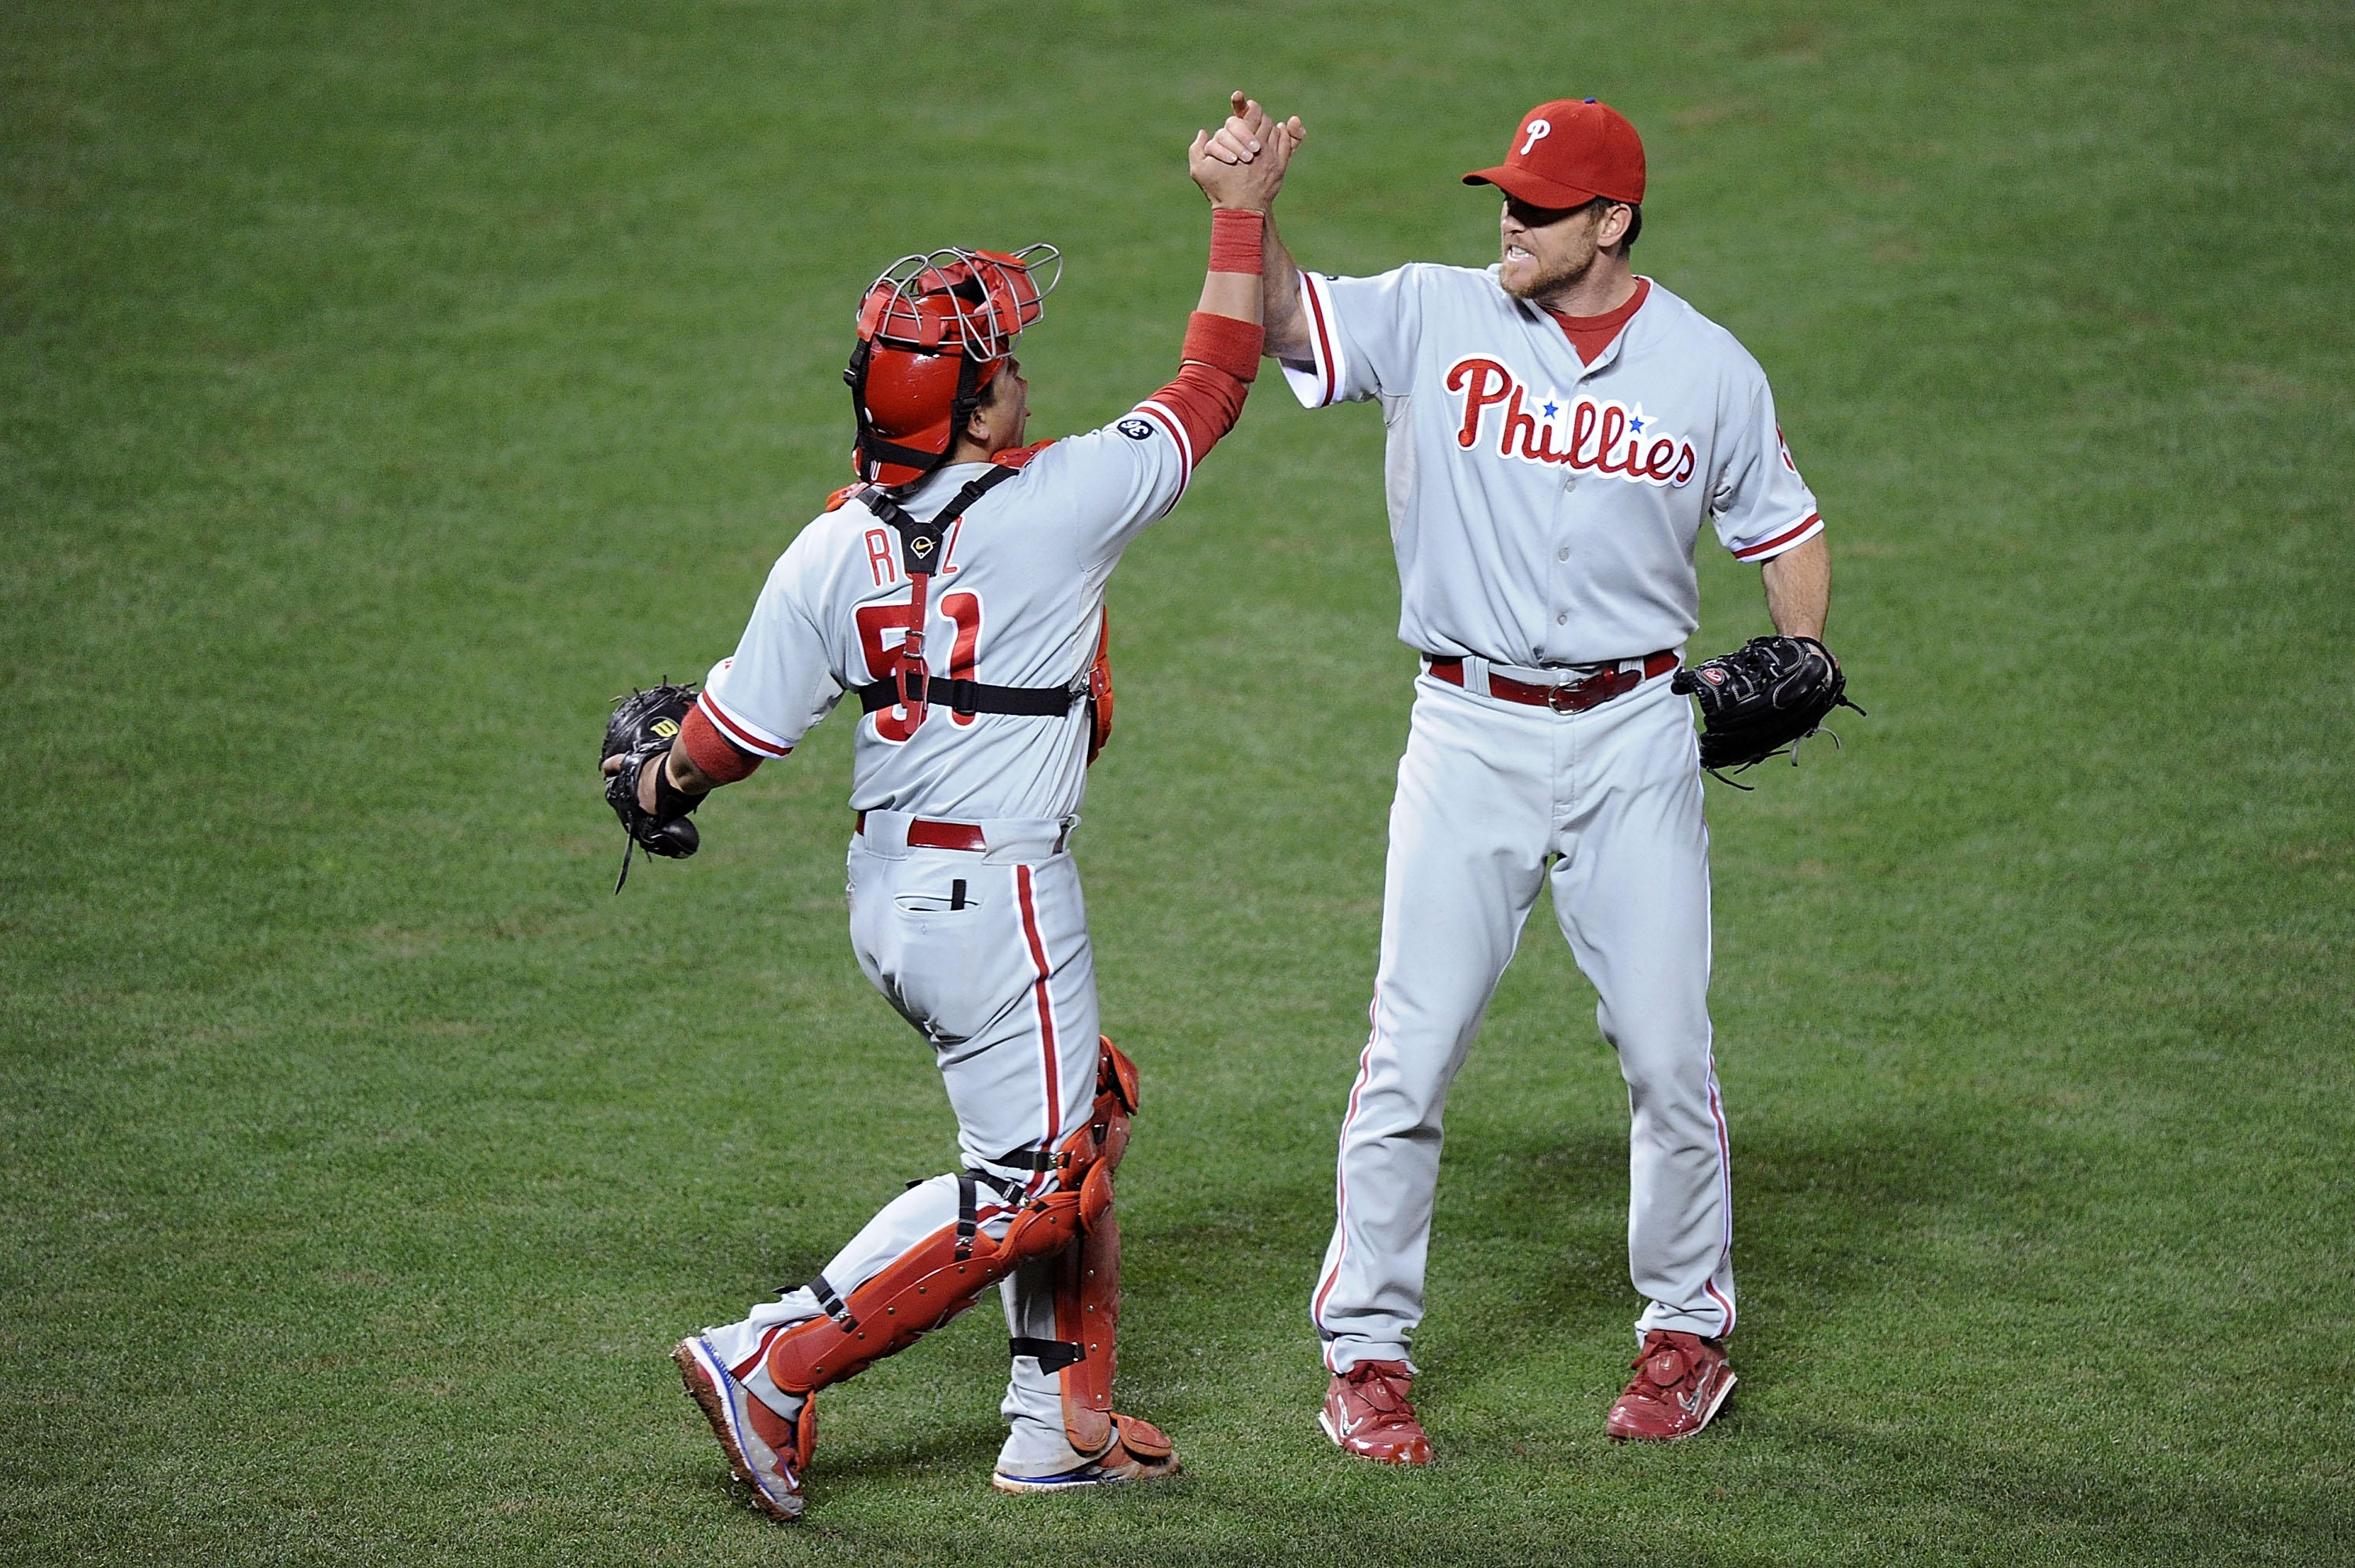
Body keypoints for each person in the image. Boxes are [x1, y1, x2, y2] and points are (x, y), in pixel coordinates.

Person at [617, 110, 1298, 1519]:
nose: (1025, 377)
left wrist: (651, 784)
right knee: (1034, 1183)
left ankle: (1054, 1419)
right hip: (1000, 903)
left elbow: (724, 742)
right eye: (1006, 365)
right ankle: (771, 1360)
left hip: (889, 904)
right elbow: (1218, 377)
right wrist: (1242, 206)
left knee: (1078, 1116)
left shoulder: (829, 549)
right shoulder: (1058, 506)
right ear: (975, 407)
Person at [1205, 93, 1837, 1457]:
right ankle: (1365, 1352)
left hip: (1637, 738)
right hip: (1467, 733)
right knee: (1409, 1058)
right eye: (1505, 193)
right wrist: (1242, 207)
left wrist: (1805, 650)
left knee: (1671, 1056)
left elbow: (1785, 524)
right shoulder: (1436, 310)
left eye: (1542, 206)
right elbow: (1279, 324)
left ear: (1612, 222)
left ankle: (1686, 1336)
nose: (1511, 218)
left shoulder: (1710, 369)